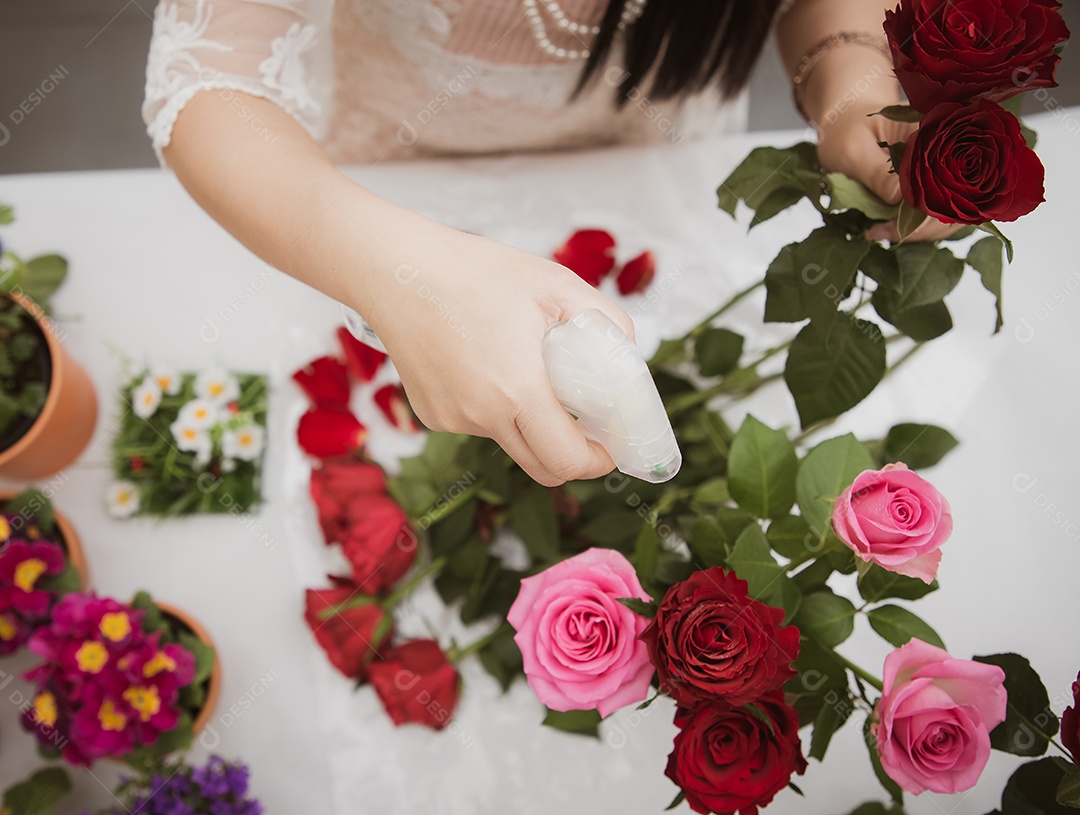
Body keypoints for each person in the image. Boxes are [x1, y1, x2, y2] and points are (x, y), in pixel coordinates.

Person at [143, 0, 952, 486]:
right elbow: (208, 79)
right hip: (386, 179)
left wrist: (847, 85)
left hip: (656, 148)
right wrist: (400, 276)